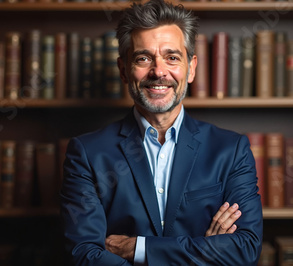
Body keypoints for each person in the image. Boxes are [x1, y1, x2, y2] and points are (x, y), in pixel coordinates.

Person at [60, 0, 263, 264]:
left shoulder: (231, 150)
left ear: (190, 68)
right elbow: (85, 255)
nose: (158, 71)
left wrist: (140, 249)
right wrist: (206, 249)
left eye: (172, 58)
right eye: (143, 58)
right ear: (124, 70)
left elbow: (244, 248)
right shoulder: (86, 153)